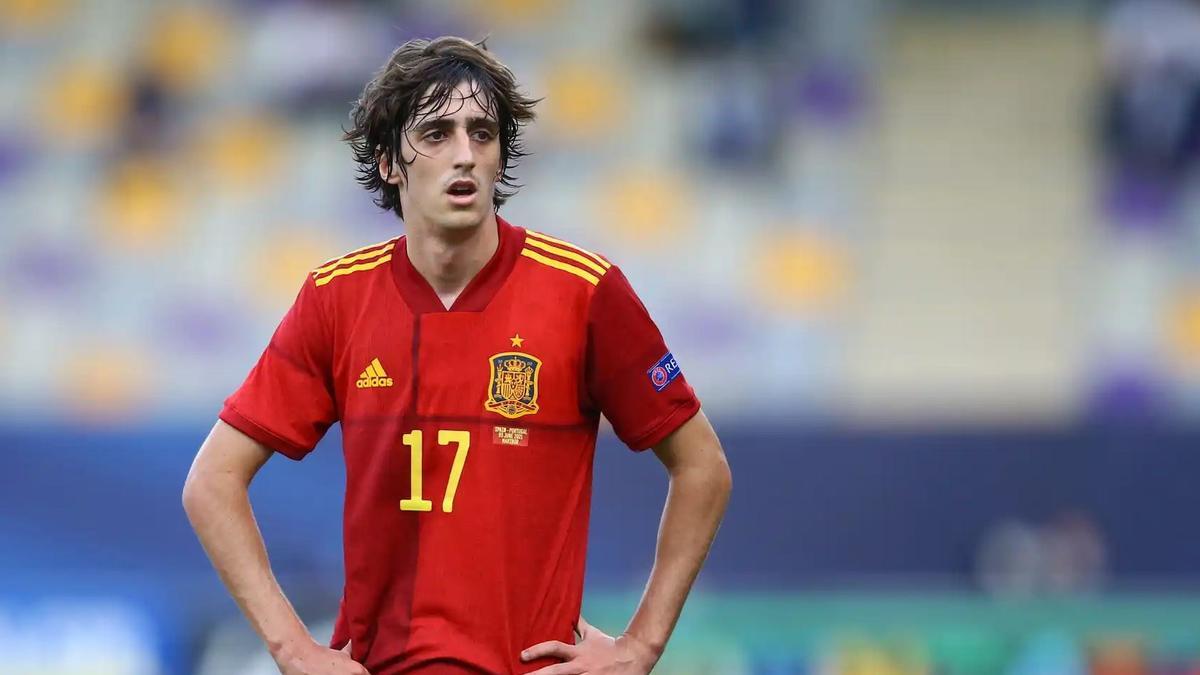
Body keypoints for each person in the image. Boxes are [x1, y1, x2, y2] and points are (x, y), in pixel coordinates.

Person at [182, 36, 731, 675]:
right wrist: (291, 648)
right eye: (437, 134)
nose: (464, 156)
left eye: (483, 133)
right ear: (390, 161)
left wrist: (642, 647)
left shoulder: (585, 292)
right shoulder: (336, 300)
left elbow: (703, 468)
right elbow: (212, 482)